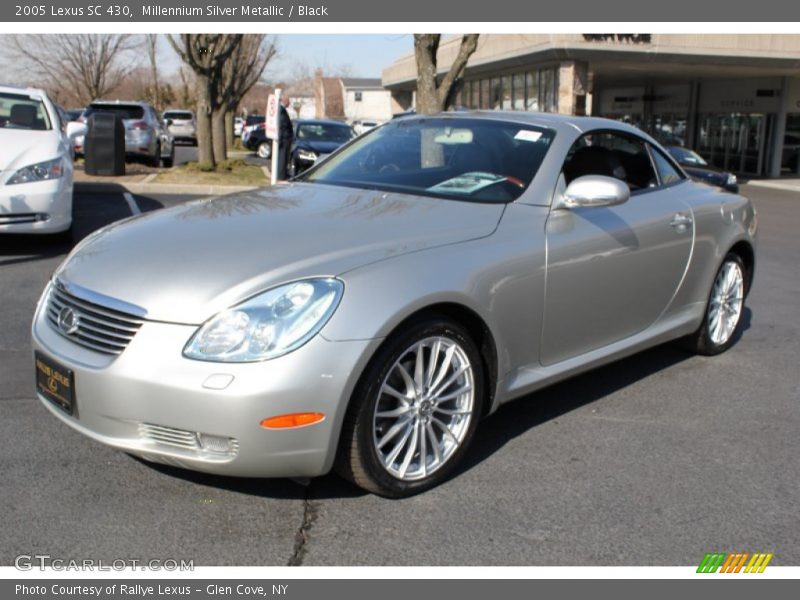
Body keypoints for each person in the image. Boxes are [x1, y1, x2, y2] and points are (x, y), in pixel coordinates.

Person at [277, 95, 294, 180]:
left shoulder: (282, 110)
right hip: (284, 140)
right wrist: (281, 139)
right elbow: (282, 126)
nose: (289, 103)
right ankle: (281, 176)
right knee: (282, 159)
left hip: (285, 139)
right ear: (284, 101)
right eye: (288, 101)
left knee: (284, 159)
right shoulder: (281, 111)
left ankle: (283, 174)